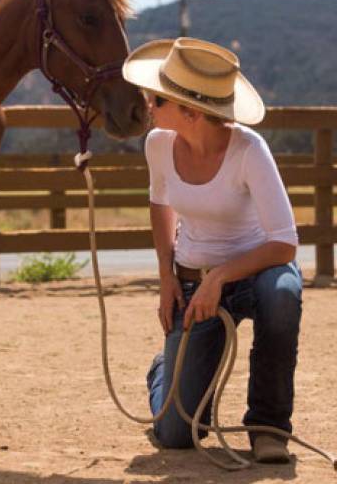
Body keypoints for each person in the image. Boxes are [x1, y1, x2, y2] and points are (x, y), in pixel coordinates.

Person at [121, 37, 302, 463]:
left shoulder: (249, 151)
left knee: (282, 298)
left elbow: (284, 241)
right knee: (176, 434)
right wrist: (167, 278)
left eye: (157, 100)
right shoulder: (158, 146)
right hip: (192, 277)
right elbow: (160, 204)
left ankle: (268, 427)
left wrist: (220, 277)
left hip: (258, 270)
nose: (148, 106)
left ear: (191, 111)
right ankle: (163, 369)